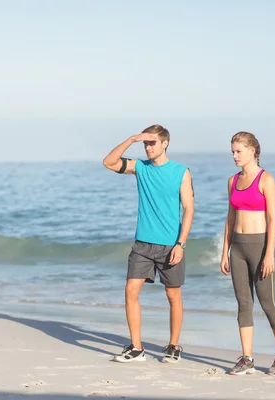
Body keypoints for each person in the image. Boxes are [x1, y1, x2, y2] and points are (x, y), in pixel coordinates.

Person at [102, 124, 194, 364]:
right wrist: (131, 139)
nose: (148, 147)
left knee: (173, 296)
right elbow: (109, 162)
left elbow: (189, 209)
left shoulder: (181, 171)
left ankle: (173, 346)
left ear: (165, 143)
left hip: (170, 245)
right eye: (145, 143)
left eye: (152, 142)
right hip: (142, 244)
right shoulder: (140, 167)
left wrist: (180, 244)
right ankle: (136, 347)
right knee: (130, 292)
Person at [220, 131, 275, 376]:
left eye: (238, 151)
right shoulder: (232, 181)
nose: (235, 156)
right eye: (233, 152)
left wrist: (269, 253)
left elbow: (273, 220)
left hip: (260, 247)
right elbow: (230, 219)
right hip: (237, 248)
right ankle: (247, 357)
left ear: (252, 150)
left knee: (267, 302)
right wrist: (224, 251)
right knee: (243, 304)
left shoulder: (266, 180)